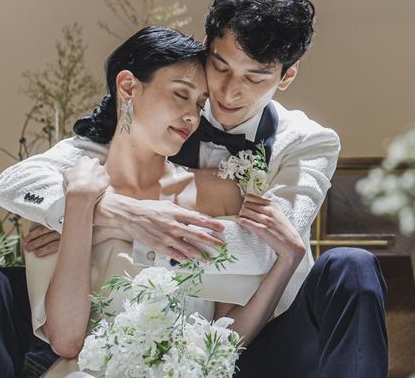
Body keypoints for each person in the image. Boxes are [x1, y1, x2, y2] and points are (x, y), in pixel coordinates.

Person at [0, 0, 388, 377]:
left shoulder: (308, 142)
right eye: (220, 67)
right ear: (207, 47)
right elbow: (19, 183)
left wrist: (103, 228)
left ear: (287, 76)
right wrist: (97, 212)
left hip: (268, 333)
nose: (228, 92)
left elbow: (260, 250)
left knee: (353, 266)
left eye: (254, 77)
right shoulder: (155, 111)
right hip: (123, 331)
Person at [24, 26, 307, 377]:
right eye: (180, 94)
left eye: (200, 104)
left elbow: (225, 338)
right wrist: (82, 205)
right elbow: (67, 341)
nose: (192, 116)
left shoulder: (217, 193)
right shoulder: (65, 193)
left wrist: (287, 260)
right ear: (128, 86)